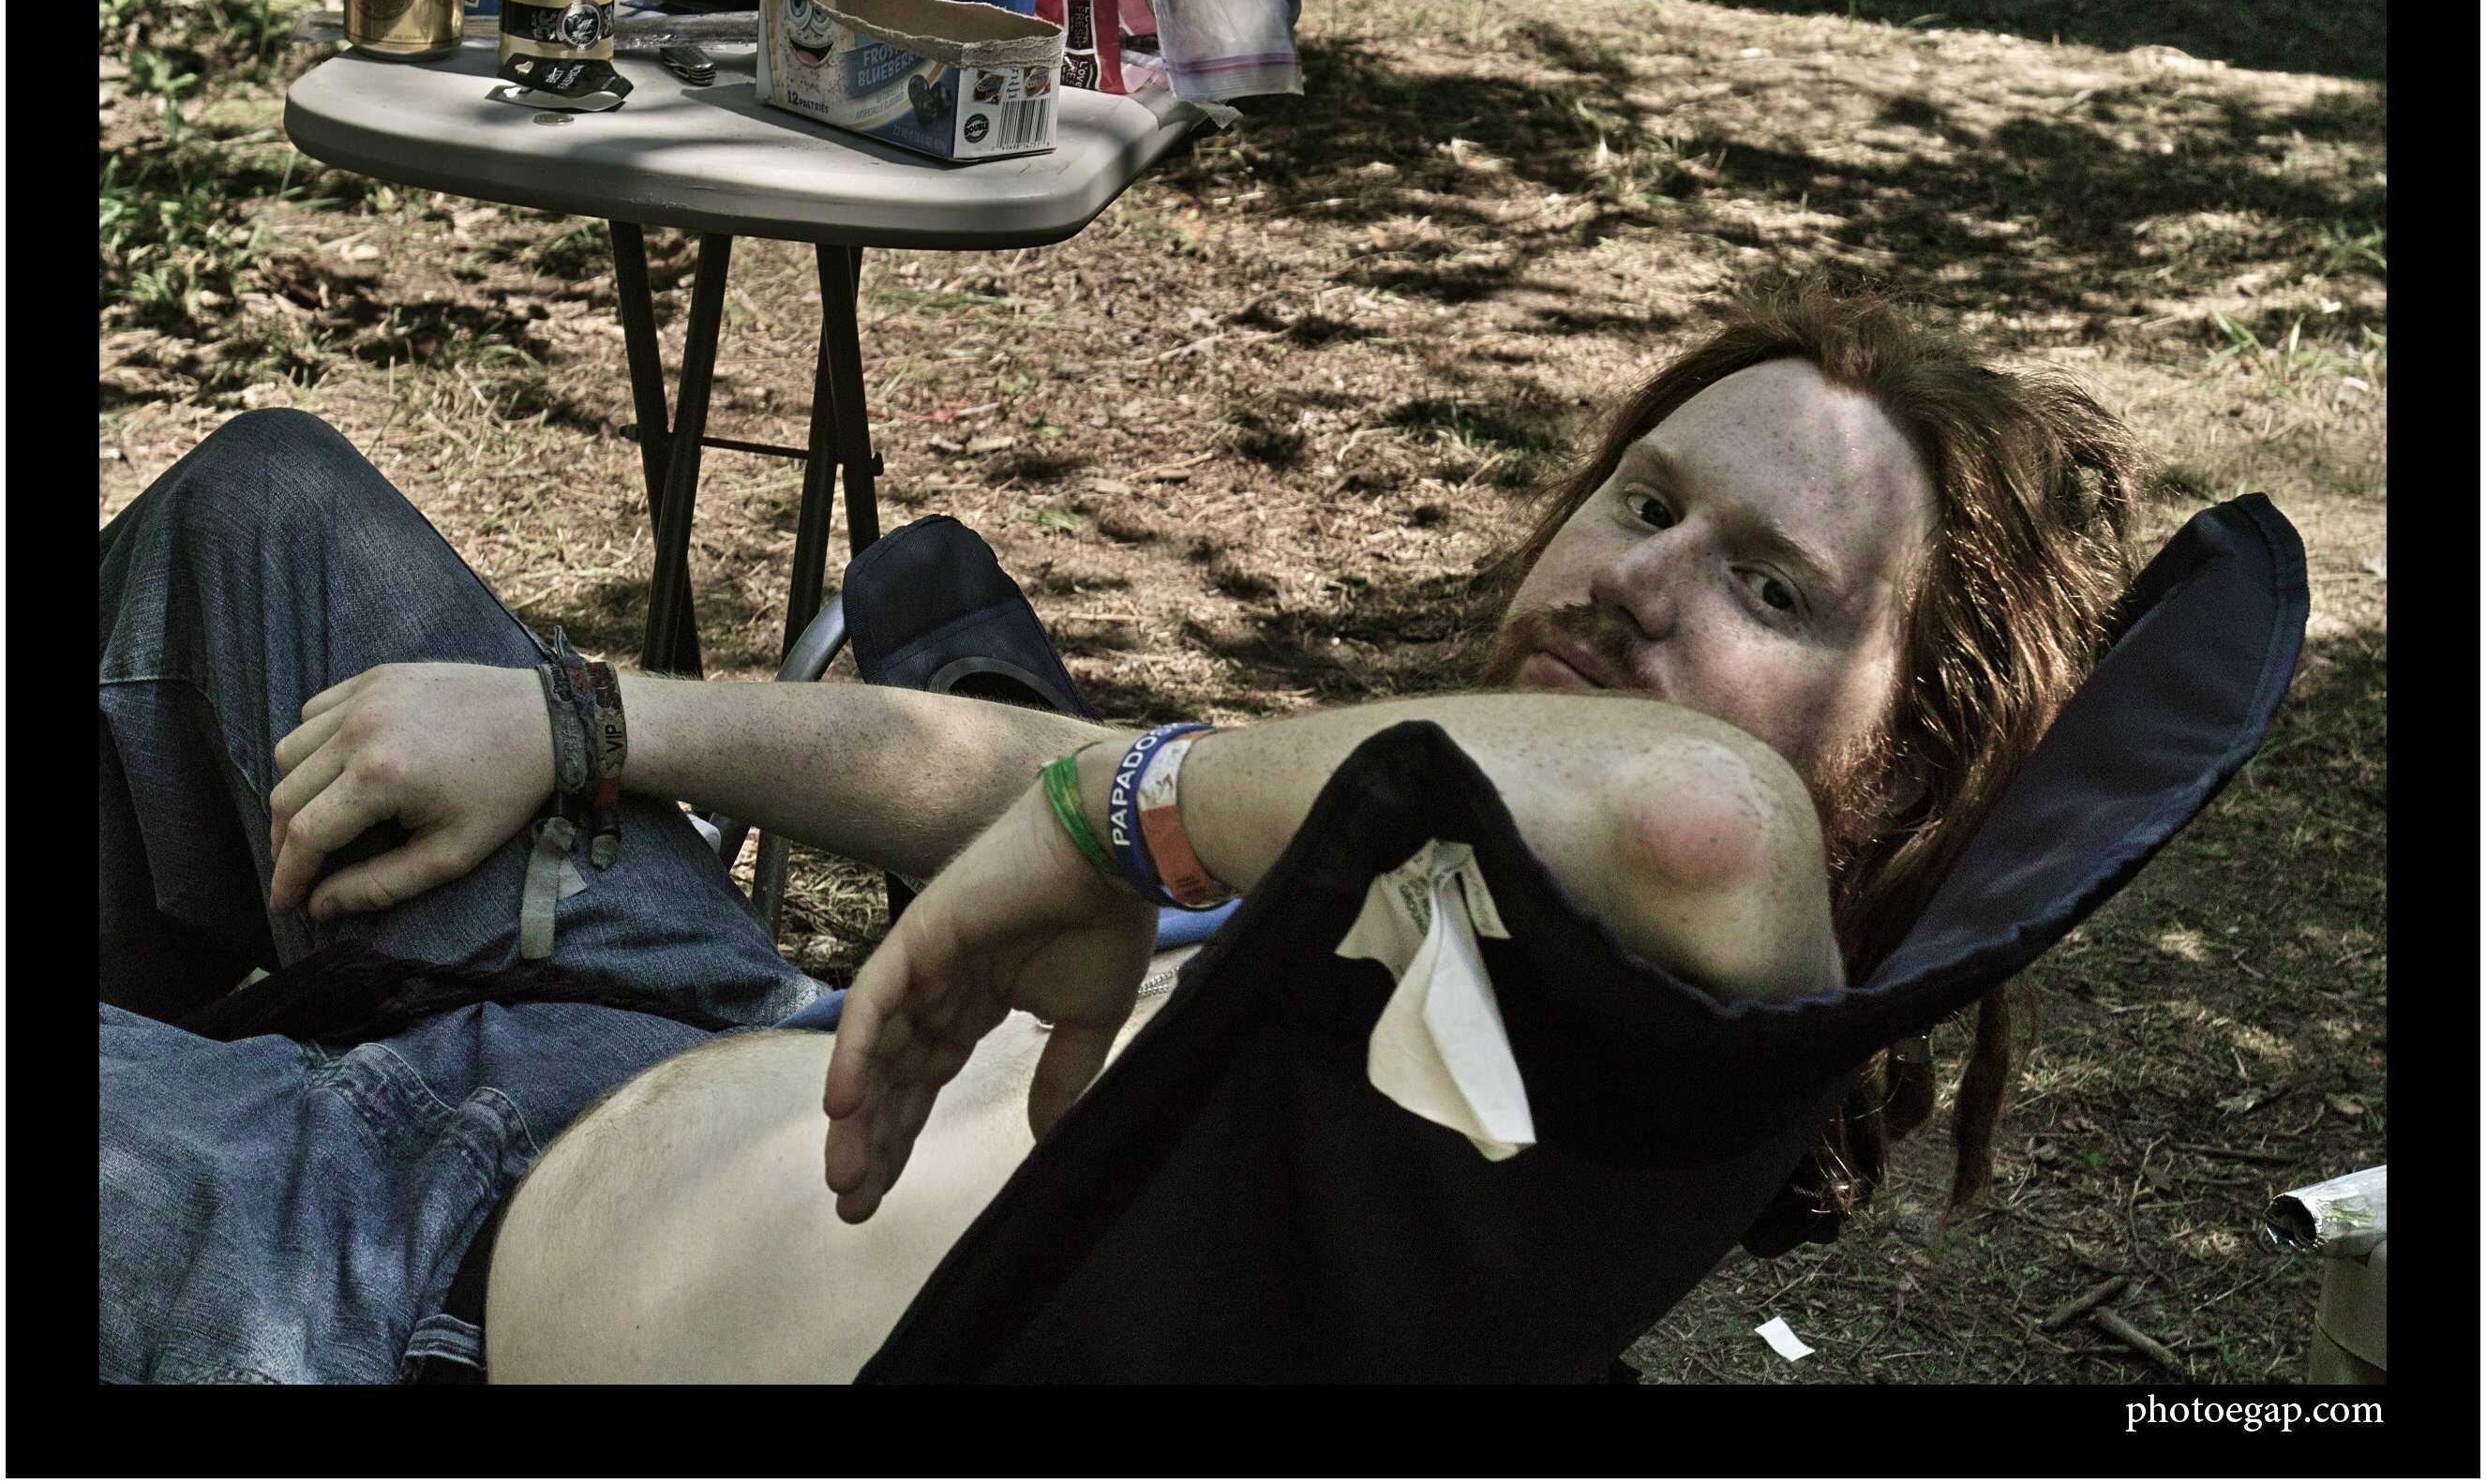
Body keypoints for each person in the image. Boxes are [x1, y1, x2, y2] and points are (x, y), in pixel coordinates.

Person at [98, 276, 2138, 1384]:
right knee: (269, 513)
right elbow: (1030, 779)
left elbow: (1703, 817)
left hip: (407, 1275)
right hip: (726, 1046)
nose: (1636, 581)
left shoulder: (1700, 1005)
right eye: (1646, 500)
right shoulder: (1442, 837)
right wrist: (586, 720)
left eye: (1771, 589)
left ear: (1906, 780)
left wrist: (1121, 811)